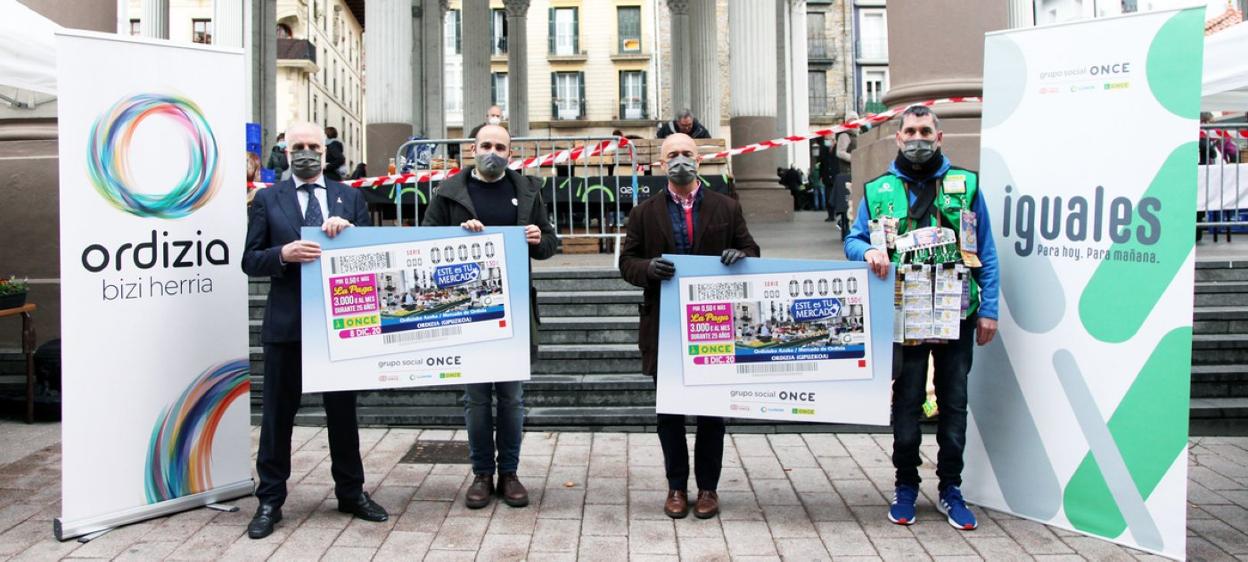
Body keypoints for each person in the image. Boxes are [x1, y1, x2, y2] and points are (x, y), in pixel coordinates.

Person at [844, 105, 999, 531]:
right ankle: (906, 485)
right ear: (897, 137)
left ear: (939, 137)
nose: (917, 138)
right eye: (909, 131)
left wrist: (989, 309)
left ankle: (951, 488)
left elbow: (985, 250)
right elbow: (853, 240)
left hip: (957, 312)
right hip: (904, 315)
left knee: (954, 404)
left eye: (925, 131)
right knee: (907, 405)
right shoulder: (878, 190)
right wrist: (869, 252)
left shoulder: (966, 186)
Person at [241, 122, 389, 539]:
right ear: (286, 154)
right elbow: (250, 260)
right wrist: (282, 254)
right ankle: (270, 499)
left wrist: (351, 235)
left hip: (339, 324)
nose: (306, 152)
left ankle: (351, 492)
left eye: (313, 146)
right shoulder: (268, 199)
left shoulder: (351, 197)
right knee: (276, 417)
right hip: (287, 325)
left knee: (343, 414)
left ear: (326, 152)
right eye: (298, 147)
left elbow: (371, 256)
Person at [619, 133, 760, 520]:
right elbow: (626, 262)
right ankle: (677, 487)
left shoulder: (726, 207)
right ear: (663, 164)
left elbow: (752, 250)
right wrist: (647, 269)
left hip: (712, 324)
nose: (681, 161)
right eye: (673, 155)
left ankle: (709, 488)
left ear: (699, 160)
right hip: (664, 326)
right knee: (669, 414)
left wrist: (741, 256)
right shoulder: (644, 212)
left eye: (687, 154)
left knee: (712, 413)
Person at [421, 124, 559, 510]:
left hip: (514, 306)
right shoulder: (448, 192)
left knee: (512, 398)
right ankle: (482, 474)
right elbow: (425, 241)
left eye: (500, 146)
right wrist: (458, 237)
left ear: (510, 152)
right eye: (486, 145)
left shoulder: (528, 190)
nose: (493, 152)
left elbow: (550, 243)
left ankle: (510, 473)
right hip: (466, 310)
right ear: (472, 149)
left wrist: (537, 238)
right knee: (477, 399)